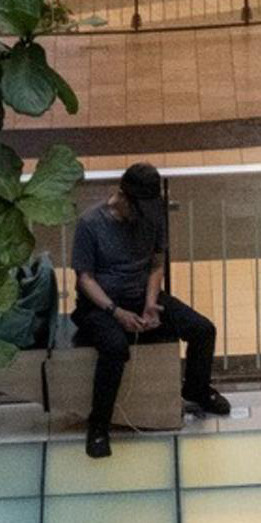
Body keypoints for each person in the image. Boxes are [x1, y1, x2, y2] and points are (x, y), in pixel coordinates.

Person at [69, 161, 227, 454]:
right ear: (123, 197)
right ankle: (99, 424)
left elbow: (156, 264)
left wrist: (151, 303)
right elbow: (85, 279)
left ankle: (197, 389)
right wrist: (116, 312)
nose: (143, 216)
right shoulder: (91, 223)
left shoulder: (152, 214)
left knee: (203, 329)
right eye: (138, 209)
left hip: (142, 296)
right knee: (115, 348)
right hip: (99, 305)